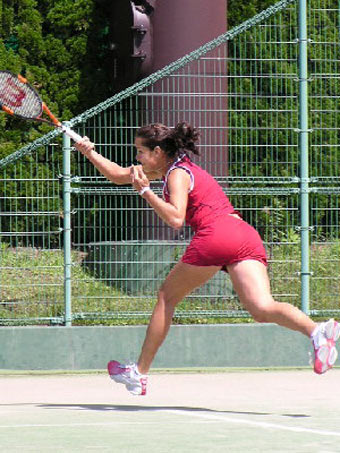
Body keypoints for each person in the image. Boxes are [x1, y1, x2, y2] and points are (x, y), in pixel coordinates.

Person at [75, 122, 339, 396]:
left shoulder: (176, 175)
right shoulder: (168, 168)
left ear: (157, 151)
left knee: (167, 297)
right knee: (261, 308)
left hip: (216, 233)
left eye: (140, 151)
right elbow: (119, 175)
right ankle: (318, 332)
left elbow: (176, 219)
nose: (137, 158)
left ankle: (139, 373)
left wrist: (146, 192)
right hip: (244, 234)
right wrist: (89, 152)